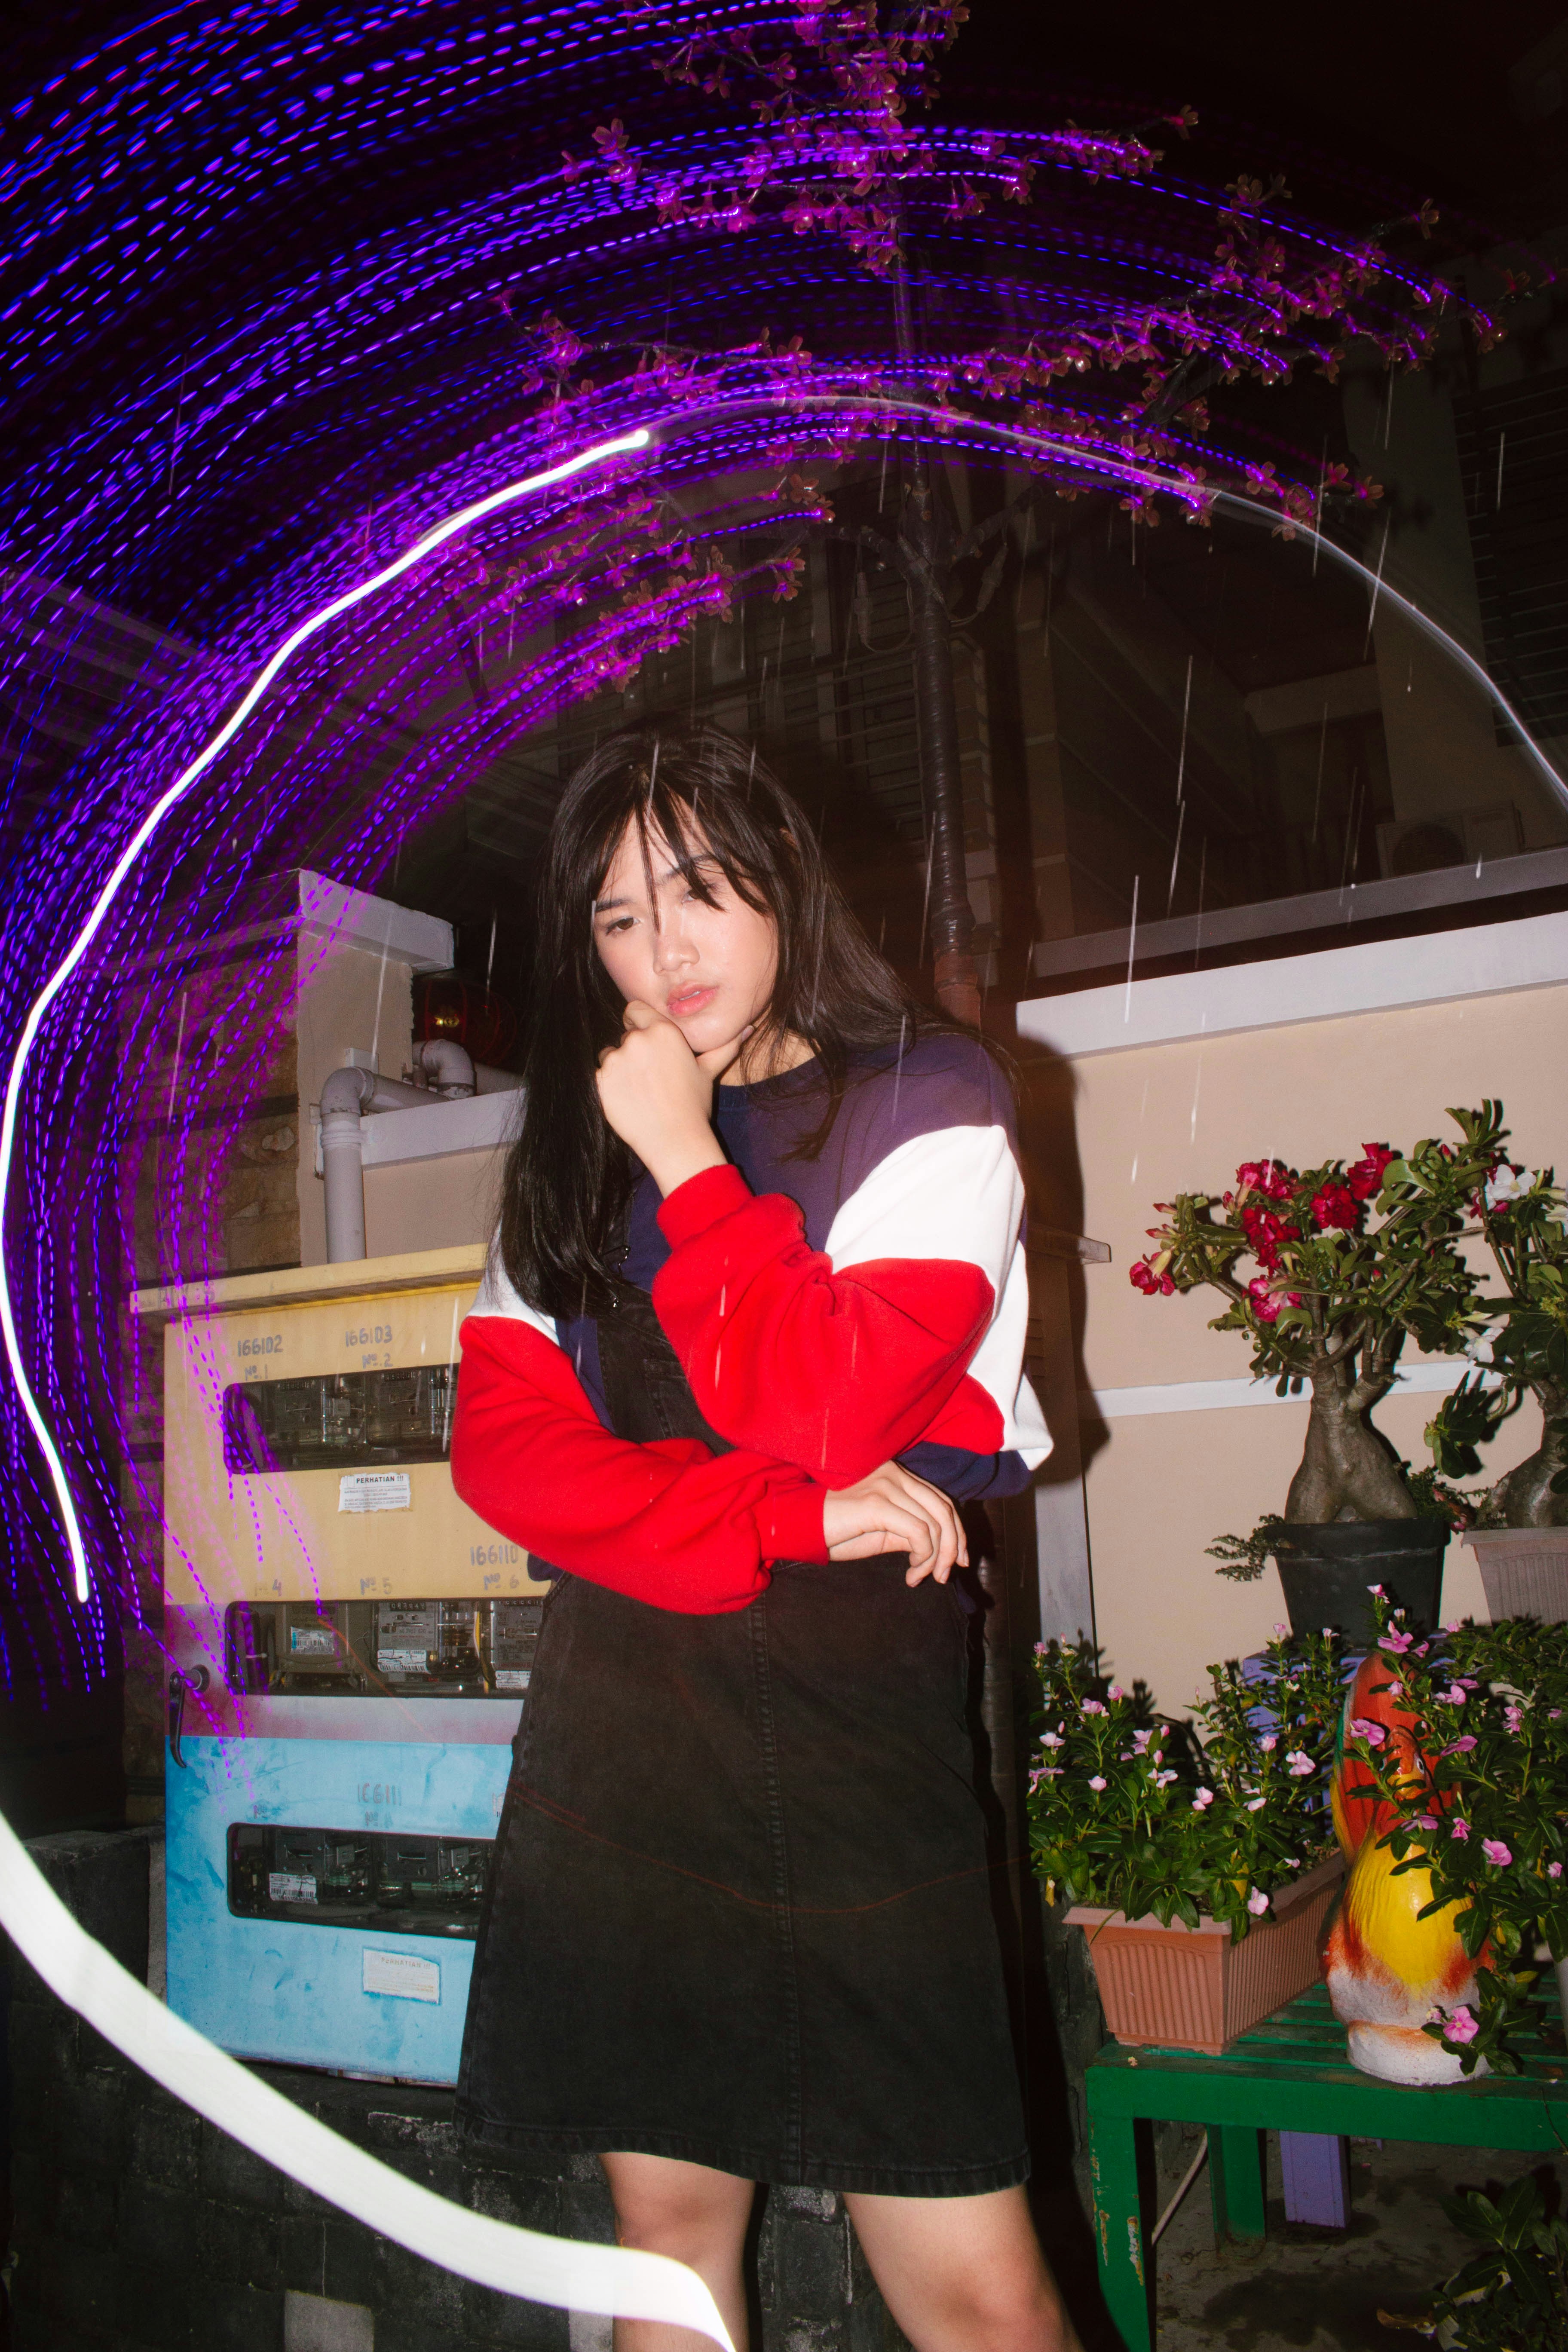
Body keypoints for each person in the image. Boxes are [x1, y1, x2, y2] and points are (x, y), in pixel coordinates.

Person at [451, 724, 1081, 2352]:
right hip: (631, 1716)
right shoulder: (570, 1154)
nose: (661, 952)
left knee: (977, 2282)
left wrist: (683, 1158)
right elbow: (509, 1460)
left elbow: (832, 1405)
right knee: (663, 2249)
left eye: (699, 892)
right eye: (613, 919)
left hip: (857, 1710)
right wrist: (783, 1519)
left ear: (785, 880)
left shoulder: (929, 1100)